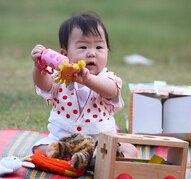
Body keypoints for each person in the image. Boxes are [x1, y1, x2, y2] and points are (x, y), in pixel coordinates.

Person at [30, 11, 138, 161]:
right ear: (64, 54)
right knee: (38, 149)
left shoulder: (107, 78)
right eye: (83, 47)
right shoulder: (60, 76)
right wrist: (38, 67)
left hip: (100, 142)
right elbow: (44, 84)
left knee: (130, 150)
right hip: (64, 140)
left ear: (107, 51)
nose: (92, 53)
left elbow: (110, 91)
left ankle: (91, 159)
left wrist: (88, 80)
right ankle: (74, 156)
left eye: (99, 47)